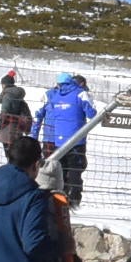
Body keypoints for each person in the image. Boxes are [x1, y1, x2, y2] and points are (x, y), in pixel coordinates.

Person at [38, 71, 93, 205]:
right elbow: (92, 113)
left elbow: (49, 115)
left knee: (60, 169)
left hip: (58, 138)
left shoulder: (55, 96)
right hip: (76, 139)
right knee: (75, 169)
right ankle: (74, 199)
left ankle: (59, 197)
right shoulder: (80, 93)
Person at [0, 70, 32, 155]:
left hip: (7, 129)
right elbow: (27, 114)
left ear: (4, 85)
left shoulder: (7, 96)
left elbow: (4, 113)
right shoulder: (19, 97)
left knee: (9, 155)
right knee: (16, 155)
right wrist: (27, 128)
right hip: (18, 130)